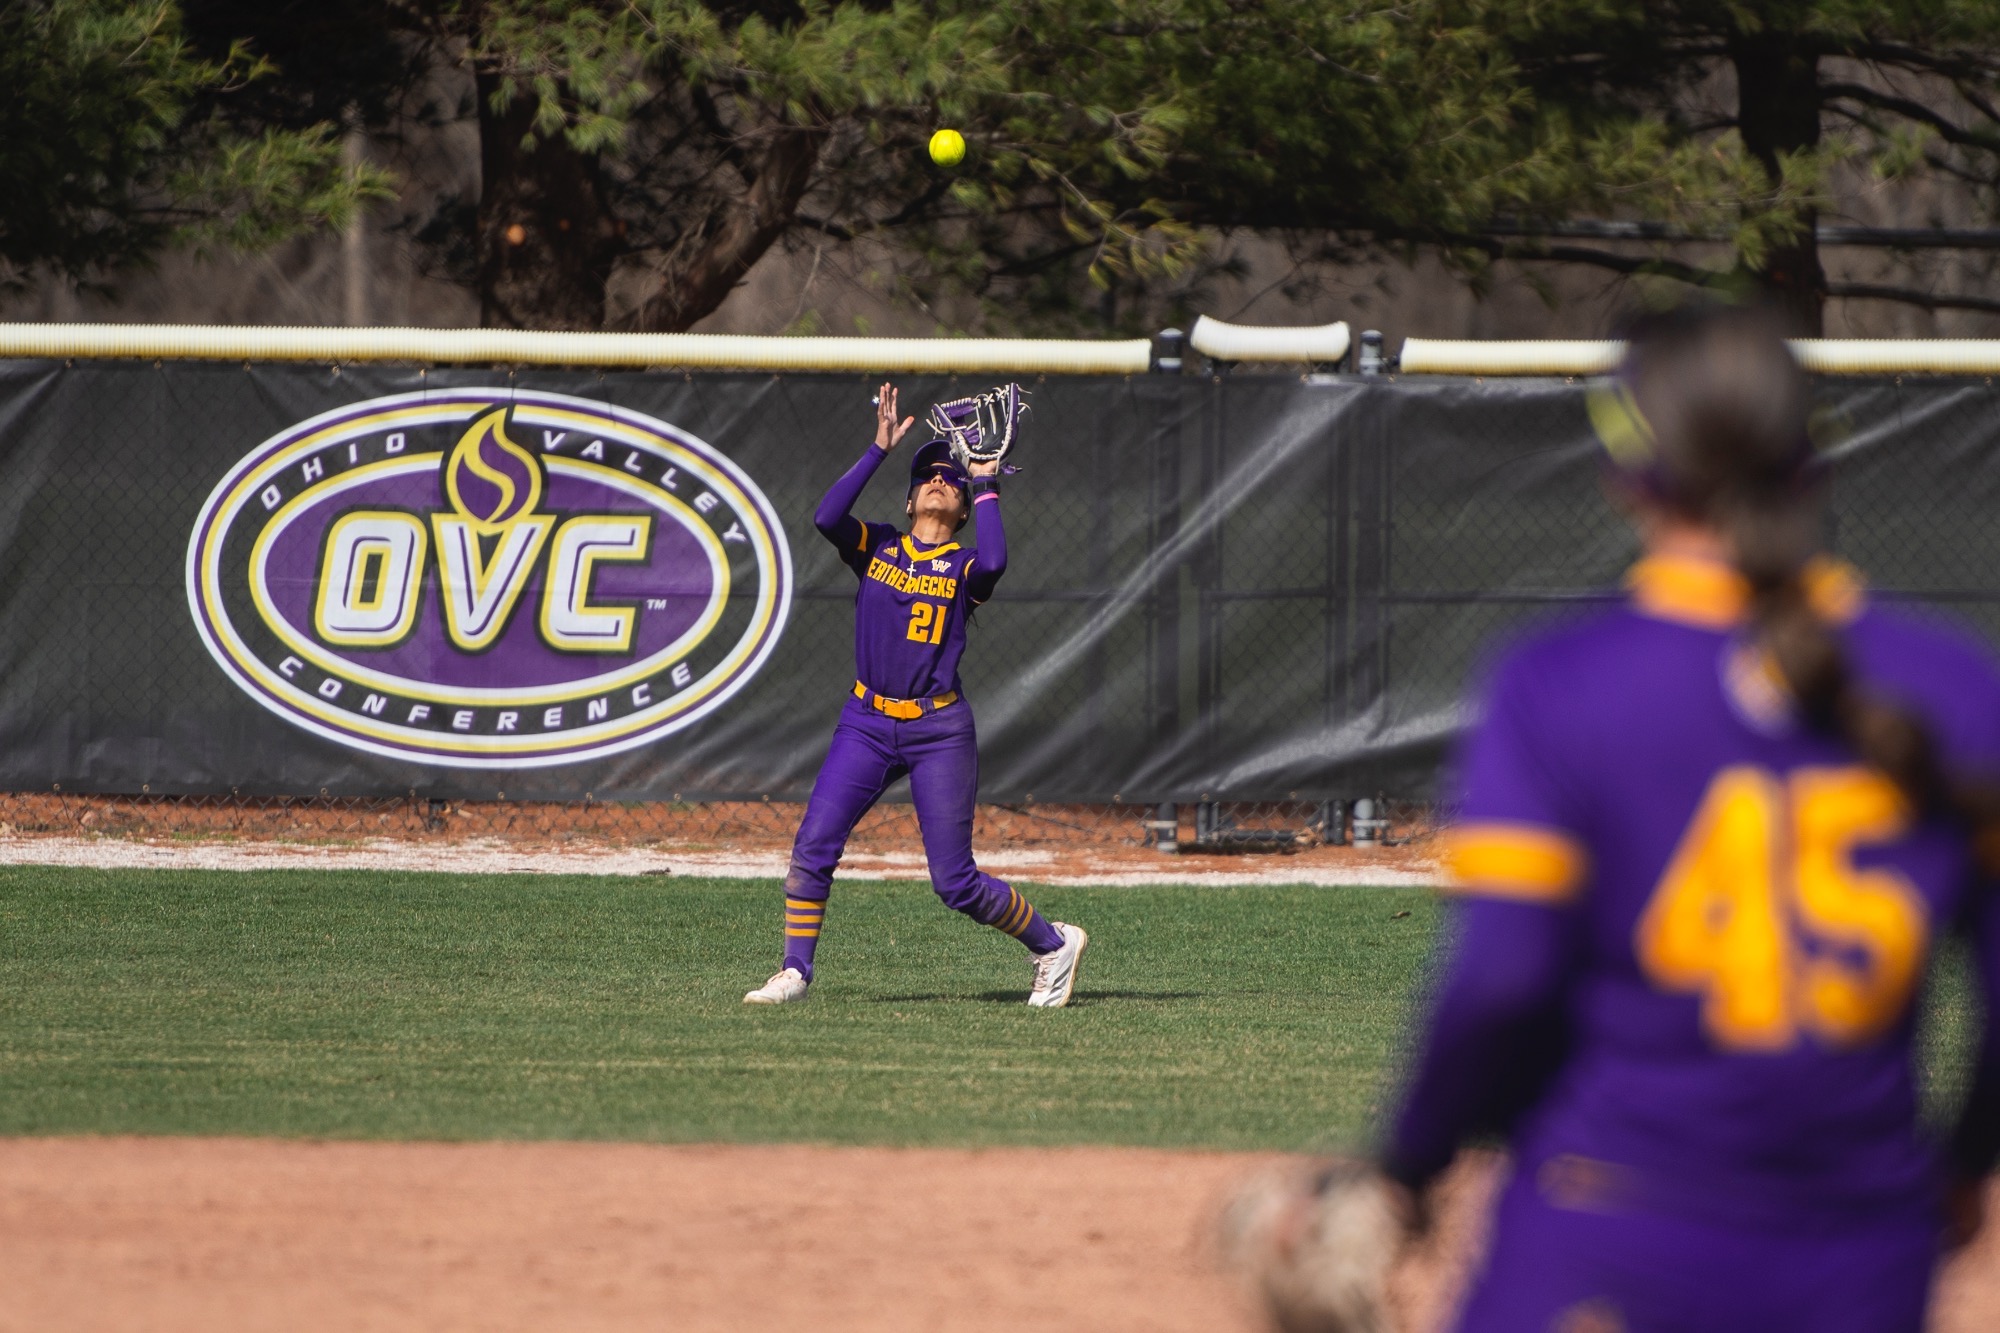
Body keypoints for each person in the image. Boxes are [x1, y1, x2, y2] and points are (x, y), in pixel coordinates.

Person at [1382, 305, 2000, 1331]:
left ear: (1623, 471)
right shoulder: (1949, 686)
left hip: (1606, 1217)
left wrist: (1403, 1163)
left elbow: (1500, 975)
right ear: (1817, 462)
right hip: (1856, 1245)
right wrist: (1964, 1160)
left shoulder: (1562, 684)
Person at [744, 382, 1087, 1007]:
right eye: (927, 476)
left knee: (954, 882)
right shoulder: (876, 545)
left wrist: (984, 482)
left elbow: (997, 561)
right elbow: (825, 518)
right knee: (814, 844)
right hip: (866, 721)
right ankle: (795, 970)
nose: (938, 482)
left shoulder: (962, 566)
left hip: (938, 731)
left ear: (959, 509)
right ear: (907, 500)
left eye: (948, 481)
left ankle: (1053, 943)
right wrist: (877, 449)